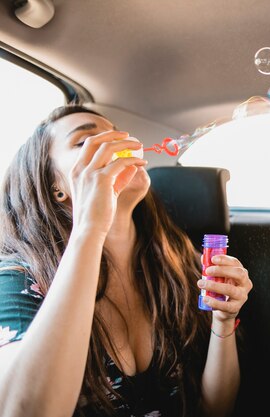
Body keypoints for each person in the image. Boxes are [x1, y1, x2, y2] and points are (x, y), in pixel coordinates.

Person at [0, 105, 253, 417]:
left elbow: (215, 409)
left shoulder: (182, 263)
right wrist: (90, 227)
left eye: (116, 135)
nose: (115, 146)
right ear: (56, 189)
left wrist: (223, 320)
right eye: (84, 142)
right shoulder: (20, 281)